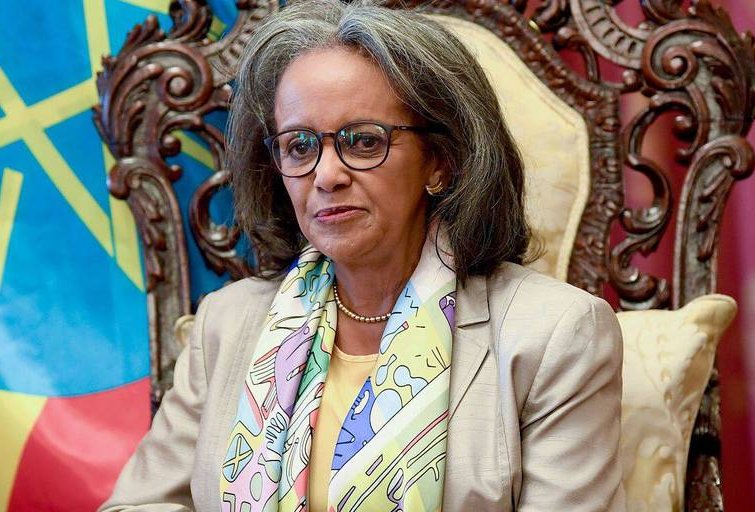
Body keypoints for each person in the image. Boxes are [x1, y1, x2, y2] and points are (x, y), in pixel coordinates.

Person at [100, 0, 624, 510]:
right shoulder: (226, 324)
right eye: (300, 146)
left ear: (440, 161)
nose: (326, 175)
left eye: (364, 142)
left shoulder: (554, 335)